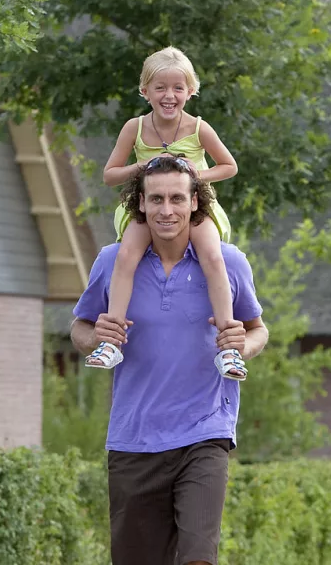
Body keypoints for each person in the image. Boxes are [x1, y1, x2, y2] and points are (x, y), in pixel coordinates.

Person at [70, 154, 268, 565]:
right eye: (154, 199)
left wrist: (244, 344)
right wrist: (95, 335)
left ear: (195, 203)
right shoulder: (114, 261)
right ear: (140, 205)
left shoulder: (226, 262)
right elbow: (79, 326)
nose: (166, 209)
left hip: (206, 428)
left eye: (177, 199)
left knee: (199, 557)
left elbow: (258, 329)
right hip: (134, 434)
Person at [88, 47, 245, 380]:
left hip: (195, 204)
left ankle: (228, 346)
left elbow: (228, 166)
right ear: (145, 91)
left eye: (177, 88)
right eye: (160, 88)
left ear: (190, 91)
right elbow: (109, 174)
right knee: (127, 253)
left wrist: (192, 177)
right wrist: (140, 166)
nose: (169, 95)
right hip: (148, 204)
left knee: (213, 256)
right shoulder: (136, 127)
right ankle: (112, 340)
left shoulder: (199, 128)